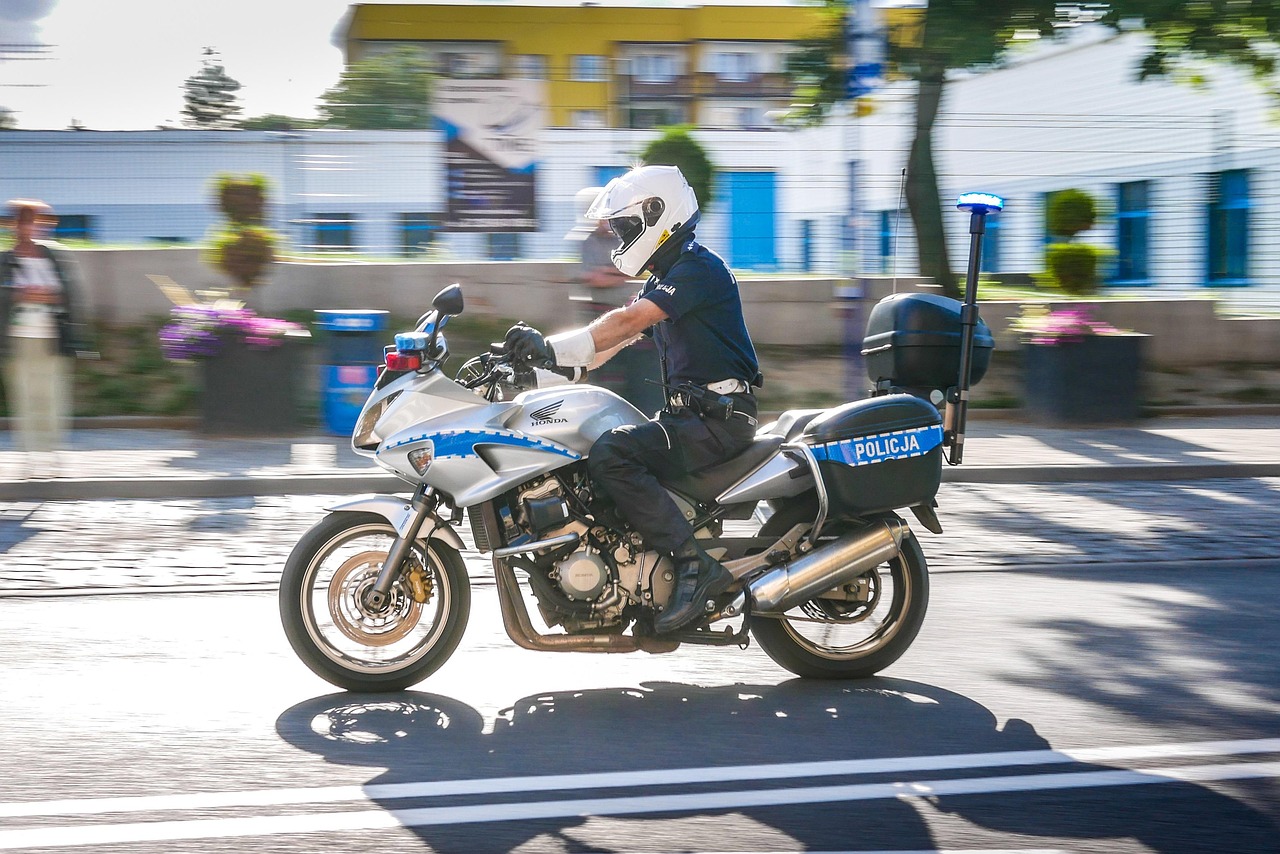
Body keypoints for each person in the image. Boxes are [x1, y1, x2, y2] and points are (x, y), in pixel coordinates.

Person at [506, 165, 762, 634]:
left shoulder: (696, 269)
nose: (619, 236)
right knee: (586, 464)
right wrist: (529, 370)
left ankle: (692, 566)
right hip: (692, 418)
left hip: (718, 420)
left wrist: (550, 347)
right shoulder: (665, 277)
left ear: (657, 214)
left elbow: (624, 323)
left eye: (624, 226)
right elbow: (603, 351)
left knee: (614, 453)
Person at [0, 199, 86, 473]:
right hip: (16, 340)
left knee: (52, 397)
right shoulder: (5, 260)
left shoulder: (56, 257)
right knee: (24, 398)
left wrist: (36, 294)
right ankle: (28, 457)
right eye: (22, 221)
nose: (28, 228)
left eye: (34, 221)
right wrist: (19, 294)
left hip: (52, 337)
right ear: (13, 226)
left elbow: (70, 296)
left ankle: (51, 454)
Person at [565, 186, 665, 415]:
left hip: (625, 312)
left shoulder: (621, 239)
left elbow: (633, 271)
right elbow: (595, 278)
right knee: (600, 370)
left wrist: (608, 273)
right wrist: (613, 273)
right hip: (596, 314)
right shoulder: (584, 241)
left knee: (632, 372)